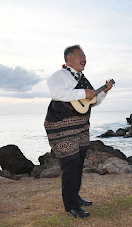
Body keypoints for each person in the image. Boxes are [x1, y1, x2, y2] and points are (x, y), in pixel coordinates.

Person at [44, 45, 113, 218]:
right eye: (80, 55)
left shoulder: (82, 78)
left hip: (81, 126)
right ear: (69, 58)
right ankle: (71, 206)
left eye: (85, 56)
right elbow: (57, 93)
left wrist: (103, 92)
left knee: (79, 161)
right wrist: (83, 92)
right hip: (61, 125)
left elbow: (91, 102)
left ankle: (75, 196)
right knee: (70, 164)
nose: (84, 59)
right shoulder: (59, 75)